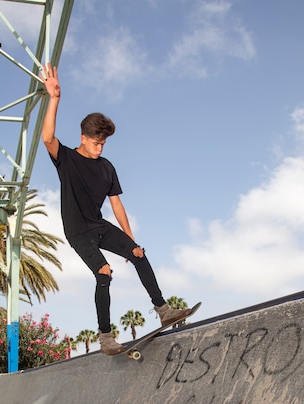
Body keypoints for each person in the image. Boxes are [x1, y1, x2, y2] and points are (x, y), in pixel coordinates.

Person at [41, 64, 197, 355]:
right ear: (83, 137)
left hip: (99, 226)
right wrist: (55, 99)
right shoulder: (67, 159)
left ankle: (163, 310)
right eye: (96, 142)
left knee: (139, 253)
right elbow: (48, 138)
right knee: (104, 272)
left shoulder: (107, 168)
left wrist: (130, 241)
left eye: (104, 143)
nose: (100, 148)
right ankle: (105, 338)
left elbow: (117, 204)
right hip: (77, 231)